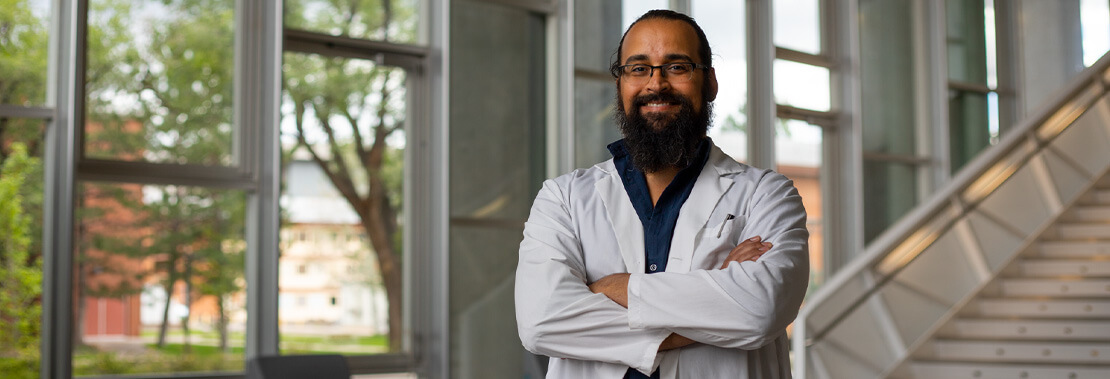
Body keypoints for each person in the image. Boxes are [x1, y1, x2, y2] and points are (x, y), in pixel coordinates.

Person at [515, 9, 810, 379]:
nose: (656, 84)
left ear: (711, 82)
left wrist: (614, 289)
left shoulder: (768, 195)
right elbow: (541, 322)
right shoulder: (563, 198)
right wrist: (712, 299)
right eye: (638, 69)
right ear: (620, 83)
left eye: (677, 67)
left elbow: (760, 311)